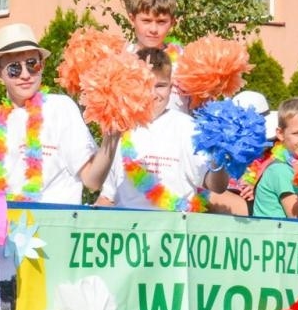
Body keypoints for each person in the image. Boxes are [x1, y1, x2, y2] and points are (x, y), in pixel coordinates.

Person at [0, 22, 115, 203]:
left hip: (55, 220)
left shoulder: (60, 108)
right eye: (14, 68)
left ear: (42, 66)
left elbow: (92, 181)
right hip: (10, 220)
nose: (25, 75)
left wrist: (112, 136)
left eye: (32, 64)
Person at [95, 47, 228, 210]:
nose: (153, 94)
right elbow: (107, 196)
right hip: (128, 224)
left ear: (171, 87)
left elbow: (216, 186)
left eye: (161, 86)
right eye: (146, 85)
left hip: (175, 224)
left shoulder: (188, 127)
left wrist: (219, 158)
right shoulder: (120, 126)